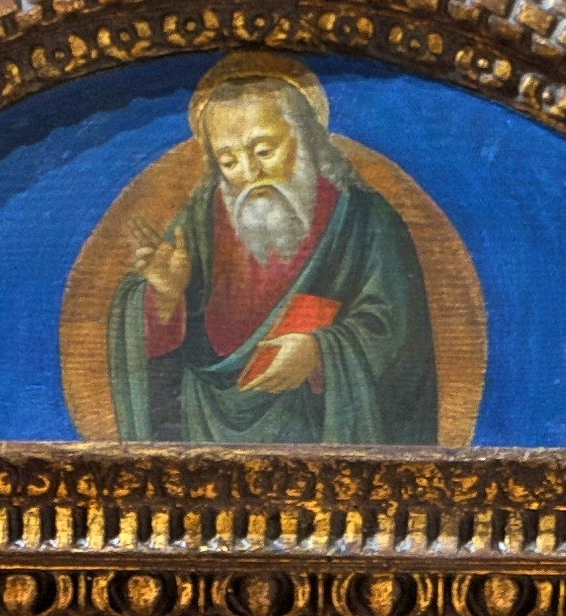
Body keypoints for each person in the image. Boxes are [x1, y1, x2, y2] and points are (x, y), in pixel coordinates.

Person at [105, 53, 439, 446]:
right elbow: (146, 338)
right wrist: (164, 295)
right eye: (228, 160)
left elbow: (396, 330)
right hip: (206, 437)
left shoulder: (365, 221)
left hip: (323, 433)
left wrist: (319, 354)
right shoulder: (199, 220)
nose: (249, 173)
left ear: (308, 139)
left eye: (264, 151)